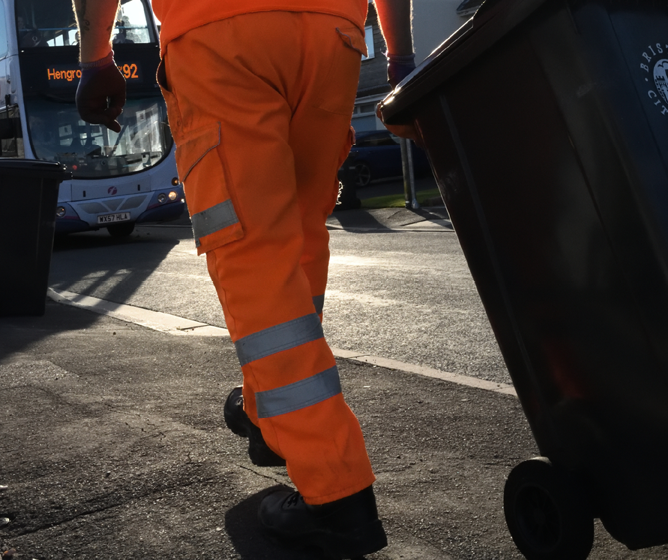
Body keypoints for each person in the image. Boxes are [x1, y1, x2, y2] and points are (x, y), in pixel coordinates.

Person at [73, 0, 413, 557]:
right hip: (334, 34)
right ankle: (268, 413)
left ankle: (335, 493)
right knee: (300, 238)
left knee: (253, 252)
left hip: (220, 35)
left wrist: (96, 59)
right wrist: (399, 57)